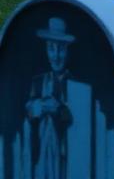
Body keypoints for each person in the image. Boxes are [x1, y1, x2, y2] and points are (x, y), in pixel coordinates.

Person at [24, 16, 74, 179]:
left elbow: (76, 118)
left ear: (67, 50)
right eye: (51, 49)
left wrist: (59, 109)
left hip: (68, 156)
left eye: (61, 49)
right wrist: (40, 106)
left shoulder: (75, 85)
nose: (56, 55)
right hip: (43, 158)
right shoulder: (39, 82)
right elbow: (30, 111)